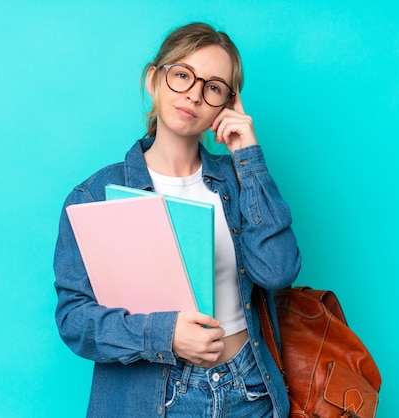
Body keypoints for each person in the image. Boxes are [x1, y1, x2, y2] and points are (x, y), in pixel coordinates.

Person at [54, 22, 301, 417]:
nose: (194, 95)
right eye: (182, 75)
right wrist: (166, 335)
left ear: (228, 104)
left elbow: (278, 271)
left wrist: (249, 158)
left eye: (214, 87)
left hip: (249, 391)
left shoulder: (239, 182)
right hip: (160, 400)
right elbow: (75, 320)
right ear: (154, 79)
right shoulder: (93, 196)